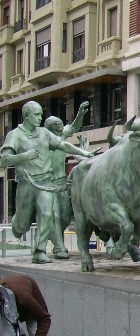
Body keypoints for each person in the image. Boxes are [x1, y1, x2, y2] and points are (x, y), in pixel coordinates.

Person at [0, 101, 94, 263]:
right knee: (21, 226)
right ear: (26, 116)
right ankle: (17, 222)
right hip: (27, 184)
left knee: (47, 214)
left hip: (45, 184)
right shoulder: (15, 135)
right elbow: (4, 160)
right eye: (36, 115)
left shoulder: (44, 133)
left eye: (40, 115)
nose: (39, 118)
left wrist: (84, 153)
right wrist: (23, 156)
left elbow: (63, 145)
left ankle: (40, 250)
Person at [43, 101, 90, 258]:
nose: (62, 128)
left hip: (61, 183)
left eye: (61, 125)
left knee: (64, 217)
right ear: (49, 128)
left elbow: (73, 127)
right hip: (47, 185)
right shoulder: (42, 141)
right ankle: (59, 247)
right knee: (54, 215)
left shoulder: (60, 137)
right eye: (58, 125)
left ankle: (55, 240)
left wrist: (80, 114)